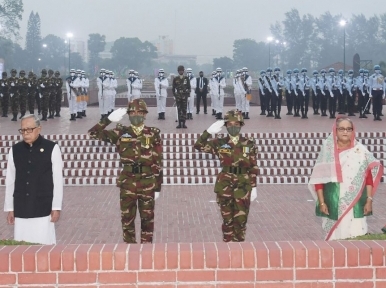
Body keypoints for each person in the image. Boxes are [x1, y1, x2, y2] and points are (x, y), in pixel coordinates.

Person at [88, 99, 162, 243]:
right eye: (133, 112)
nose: (136, 115)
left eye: (139, 112)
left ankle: (146, 252)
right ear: (128, 115)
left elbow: (158, 160)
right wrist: (108, 119)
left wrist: (158, 186)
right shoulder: (120, 132)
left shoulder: (152, 133)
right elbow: (93, 133)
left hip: (147, 182)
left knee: (148, 220)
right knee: (127, 220)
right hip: (127, 182)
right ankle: (130, 252)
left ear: (145, 114)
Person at [308, 116, 383, 240]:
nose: (345, 132)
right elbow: (319, 180)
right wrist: (321, 202)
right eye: (341, 129)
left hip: (356, 201)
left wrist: (369, 200)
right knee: (335, 239)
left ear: (353, 131)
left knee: (357, 236)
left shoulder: (360, 151)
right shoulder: (328, 152)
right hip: (333, 201)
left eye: (349, 129)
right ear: (335, 131)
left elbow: (368, 178)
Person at [194, 109, 258, 242]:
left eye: (236, 124)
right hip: (225, 185)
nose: (233, 127)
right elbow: (198, 145)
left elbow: (253, 166)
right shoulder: (219, 143)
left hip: (243, 186)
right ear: (226, 126)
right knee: (227, 220)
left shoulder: (249, 143)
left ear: (241, 125)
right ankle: (228, 249)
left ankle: (239, 249)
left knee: (241, 220)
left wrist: (254, 186)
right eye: (229, 124)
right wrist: (208, 132)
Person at [4, 114, 63, 244]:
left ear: (39, 129)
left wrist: (56, 207)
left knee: (44, 247)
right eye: (23, 130)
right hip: (21, 207)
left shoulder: (52, 148)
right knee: (22, 249)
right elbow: (10, 181)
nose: (25, 133)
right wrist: (10, 208)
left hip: (43, 207)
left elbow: (57, 181)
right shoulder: (15, 150)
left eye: (29, 129)